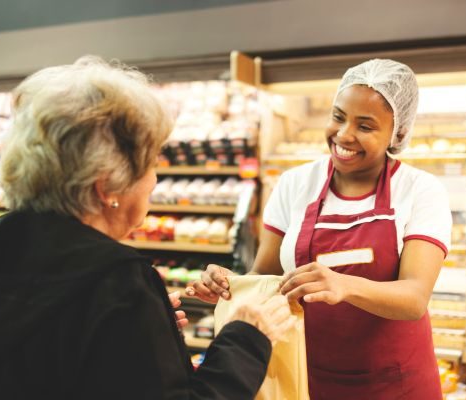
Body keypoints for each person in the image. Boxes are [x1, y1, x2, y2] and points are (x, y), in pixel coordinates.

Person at [0, 56, 295, 400]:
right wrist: (245, 338)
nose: (154, 181)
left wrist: (145, 331)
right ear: (106, 185)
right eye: (151, 164)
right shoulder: (116, 280)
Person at [190, 59, 452, 399]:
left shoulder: (419, 190)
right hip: (305, 375)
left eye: (366, 126)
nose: (344, 135)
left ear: (398, 133)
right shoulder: (295, 184)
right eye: (338, 116)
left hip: (394, 382)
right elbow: (265, 278)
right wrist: (231, 285)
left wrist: (343, 284)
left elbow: (414, 297)